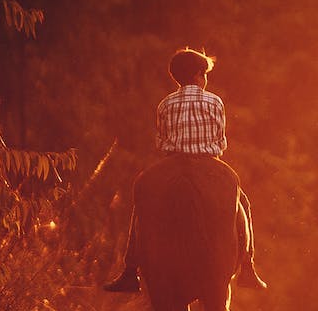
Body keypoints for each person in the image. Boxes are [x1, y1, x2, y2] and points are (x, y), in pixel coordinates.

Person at [104, 47, 267, 293]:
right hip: (208, 161)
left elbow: (161, 141)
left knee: (142, 199)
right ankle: (248, 267)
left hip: (173, 161)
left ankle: (130, 269)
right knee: (242, 201)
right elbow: (220, 140)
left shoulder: (165, 104)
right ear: (199, 75)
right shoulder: (214, 101)